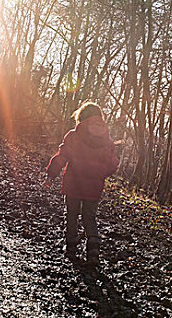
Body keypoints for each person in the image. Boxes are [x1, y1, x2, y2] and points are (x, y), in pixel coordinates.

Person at [44, 102, 119, 270]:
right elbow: (113, 164)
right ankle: (93, 252)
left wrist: (51, 175)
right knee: (89, 217)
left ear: (81, 117)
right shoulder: (107, 141)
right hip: (94, 187)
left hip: (73, 184)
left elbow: (62, 157)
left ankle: (71, 248)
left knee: (71, 214)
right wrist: (100, 174)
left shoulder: (74, 135)